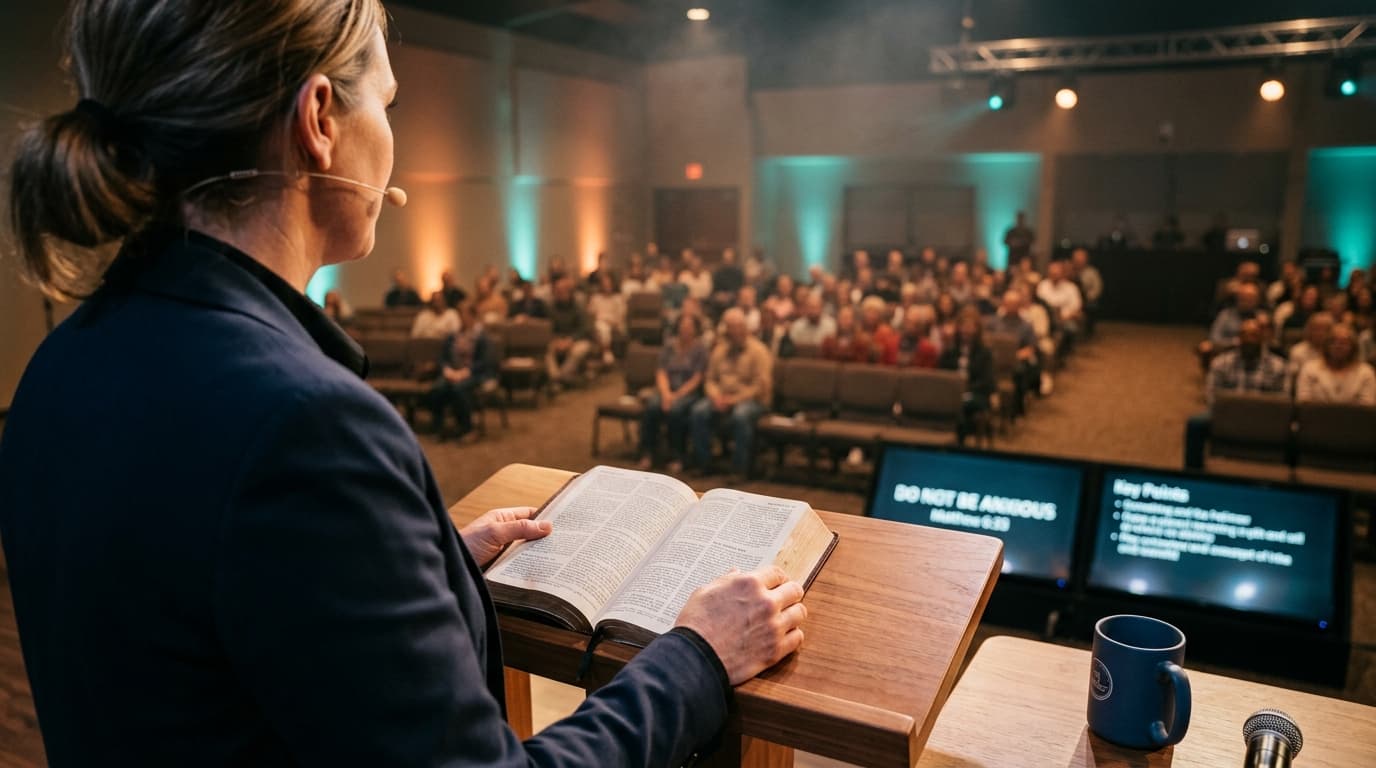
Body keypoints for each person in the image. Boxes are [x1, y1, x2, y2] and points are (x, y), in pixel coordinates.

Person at [0, 4, 808, 764]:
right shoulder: (302, 427)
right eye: (385, 102)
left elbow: (215, 615)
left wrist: (427, 563)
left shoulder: (61, 366)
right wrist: (697, 656)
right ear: (319, 122)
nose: (392, 135)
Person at [1184, 318, 1289, 468]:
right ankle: (1192, 474)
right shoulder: (1221, 362)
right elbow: (1212, 397)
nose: (1248, 339)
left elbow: (1283, 401)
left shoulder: (1278, 366)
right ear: (1238, 338)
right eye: (1244, 335)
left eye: (1253, 335)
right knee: (1195, 424)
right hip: (1228, 415)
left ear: (1262, 338)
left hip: (1264, 418)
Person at [691, 308, 772, 478]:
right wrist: (715, 396)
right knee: (698, 411)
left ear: (744, 328)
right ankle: (704, 463)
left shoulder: (759, 351)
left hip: (752, 401)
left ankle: (739, 469)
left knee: (741, 415)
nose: (734, 332)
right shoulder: (720, 350)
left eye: (737, 327)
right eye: (730, 328)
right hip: (721, 397)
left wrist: (733, 400)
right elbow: (710, 379)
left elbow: (760, 386)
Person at [638, 314, 708, 472]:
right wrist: (666, 394)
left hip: (688, 392)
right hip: (667, 391)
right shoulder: (669, 347)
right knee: (652, 407)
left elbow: (697, 378)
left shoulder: (700, 350)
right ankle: (648, 453)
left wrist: (676, 396)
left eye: (689, 327)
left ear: (695, 330)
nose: (685, 330)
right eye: (683, 326)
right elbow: (661, 372)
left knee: (676, 411)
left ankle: (678, 456)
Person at [428, 305, 492, 441]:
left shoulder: (481, 337)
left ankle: (467, 429)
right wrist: (447, 370)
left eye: (465, 315)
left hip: (473, 373)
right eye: (461, 315)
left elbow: (485, 362)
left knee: (459, 389)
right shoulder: (453, 335)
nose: (463, 319)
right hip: (452, 372)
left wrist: (466, 372)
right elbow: (443, 358)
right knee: (437, 389)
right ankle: (439, 429)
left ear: (473, 317)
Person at [938, 308, 995, 445]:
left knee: (962, 406)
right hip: (951, 392)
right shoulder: (950, 350)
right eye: (963, 326)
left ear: (977, 330)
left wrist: (965, 390)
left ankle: (959, 443)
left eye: (970, 327)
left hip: (976, 394)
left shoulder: (985, 353)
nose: (966, 331)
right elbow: (942, 373)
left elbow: (987, 381)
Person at [1296, 323, 1376, 404]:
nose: (1338, 346)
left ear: (1353, 347)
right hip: (1316, 416)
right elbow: (1304, 403)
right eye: (1333, 342)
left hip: (1354, 416)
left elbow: (1367, 407)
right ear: (1326, 345)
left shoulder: (1366, 372)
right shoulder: (1310, 369)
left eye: (1344, 343)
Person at [545, 276, 594, 388]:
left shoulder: (578, 308)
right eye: (557, 291)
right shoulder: (551, 308)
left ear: (569, 292)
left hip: (576, 340)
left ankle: (559, 378)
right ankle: (556, 377)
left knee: (579, 350)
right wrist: (557, 340)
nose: (559, 293)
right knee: (546, 350)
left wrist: (570, 340)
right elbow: (549, 329)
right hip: (557, 340)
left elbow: (584, 329)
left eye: (562, 291)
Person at [586, 272, 626, 365]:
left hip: (614, 325)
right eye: (604, 284)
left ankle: (606, 351)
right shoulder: (595, 298)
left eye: (608, 284)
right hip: (598, 325)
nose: (606, 287)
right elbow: (590, 315)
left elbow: (620, 317)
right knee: (601, 326)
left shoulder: (618, 298)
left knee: (603, 327)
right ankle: (605, 352)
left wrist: (606, 319)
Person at [1287, 312, 1334, 381]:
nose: (1320, 333)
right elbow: (1294, 377)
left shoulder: (1335, 351)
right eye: (1316, 329)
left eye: (1324, 330)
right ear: (1309, 330)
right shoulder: (1298, 350)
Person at [895, 304, 940, 368]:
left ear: (921, 325)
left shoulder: (928, 349)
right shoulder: (891, 343)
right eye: (908, 322)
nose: (910, 327)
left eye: (915, 323)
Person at [858, 295, 899, 365]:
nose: (871, 315)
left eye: (875, 312)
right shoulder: (858, 331)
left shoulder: (886, 332)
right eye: (868, 311)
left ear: (880, 315)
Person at [1070, 248, 1102, 334]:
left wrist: (1086, 299)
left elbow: (1097, 289)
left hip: (1087, 300)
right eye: (1076, 259)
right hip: (1070, 300)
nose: (1078, 262)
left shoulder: (1092, 272)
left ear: (1086, 260)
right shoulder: (1068, 271)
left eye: (1081, 259)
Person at [710, 247, 744, 313]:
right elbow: (714, 290)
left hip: (734, 301)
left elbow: (740, 289)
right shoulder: (718, 273)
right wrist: (719, 296)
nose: (727, 262)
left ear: (733, 260)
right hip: (719, 303)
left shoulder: (738, 273)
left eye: (729, 259)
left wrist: (730, 296)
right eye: (725, 259)